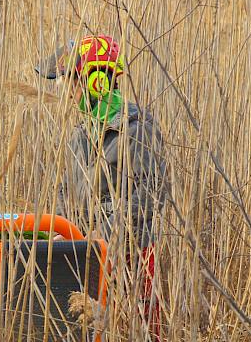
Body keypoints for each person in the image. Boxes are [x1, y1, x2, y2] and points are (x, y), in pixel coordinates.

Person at [35, 34, 166, 340]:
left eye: (70, 79)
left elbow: (150, 193)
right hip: (85, 257)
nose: (62, 88)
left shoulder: (136, 129)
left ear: (96, 82)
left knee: (135, 331)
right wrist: (60, 229)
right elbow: (65, 193)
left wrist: (105, 233)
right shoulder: (79, 138)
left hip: (132, 258)